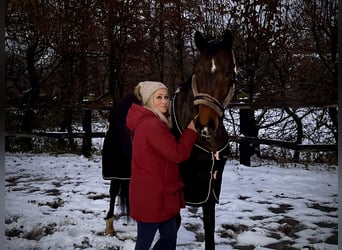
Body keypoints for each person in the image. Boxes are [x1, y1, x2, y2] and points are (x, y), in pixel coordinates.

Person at [126, 81, 197, 250]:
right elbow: (178, 154)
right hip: (153, 197)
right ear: (148, 100)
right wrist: (192, 129)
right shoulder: (152, 125)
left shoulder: (152, 121)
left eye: (166, 97)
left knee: (169, 238)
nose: (165, 101)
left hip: (161, 194)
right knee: (144, 244)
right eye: (159, 97)